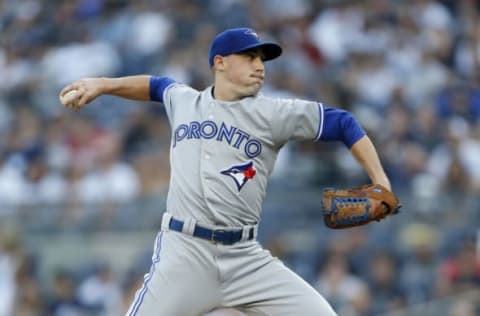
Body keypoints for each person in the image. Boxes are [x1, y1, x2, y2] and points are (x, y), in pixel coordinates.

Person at [60, 27, 393, 316]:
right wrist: (102, 84)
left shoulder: (273, 113)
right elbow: (156, 85)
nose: (259, 67)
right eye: (249, 58)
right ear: (220, 62)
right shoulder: (185, 100)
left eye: (262, 60)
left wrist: (380, 181)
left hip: (245, 257)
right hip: (185, 253)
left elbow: (344, 123)